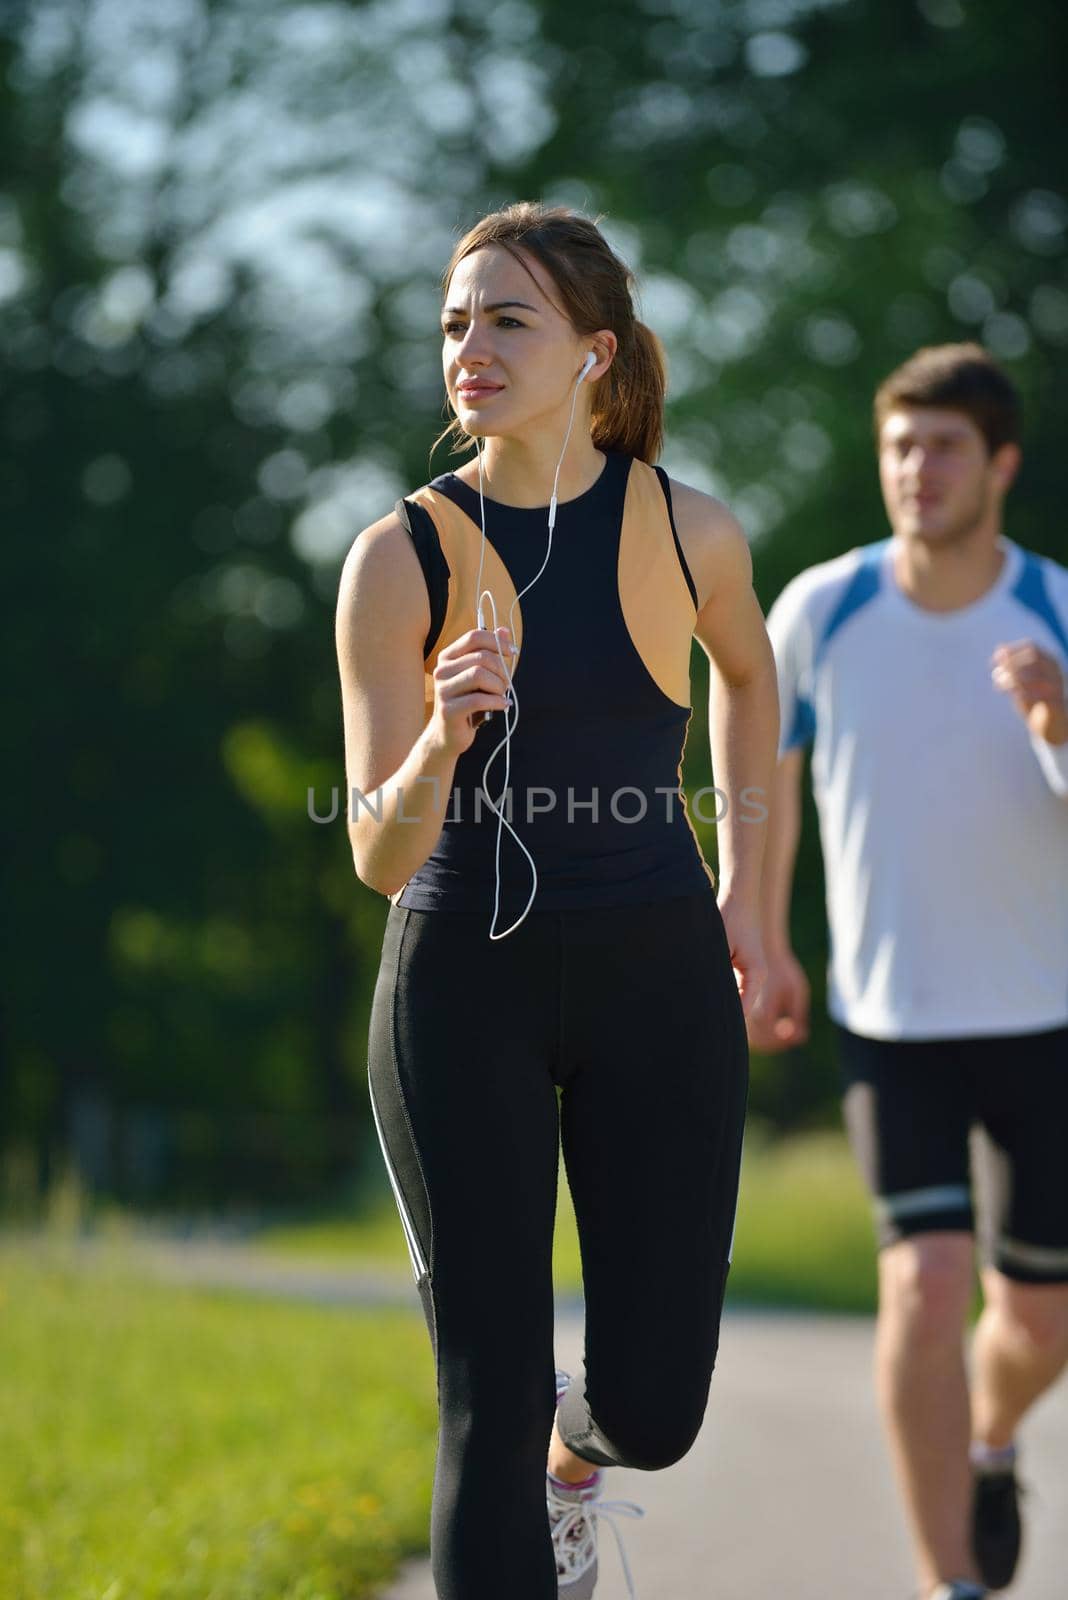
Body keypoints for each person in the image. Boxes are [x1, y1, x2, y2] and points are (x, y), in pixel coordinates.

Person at [334, 202, 778, 1600]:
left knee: (654, 1406)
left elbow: (754, 682)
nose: (470, 346)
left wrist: (746, 894)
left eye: (507, 319)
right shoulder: (394, 558)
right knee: (489, 1392)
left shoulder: (688, 528)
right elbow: (376, 852)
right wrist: (439, 739)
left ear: (593, 353)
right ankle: (530, 1471)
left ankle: (576, 1472)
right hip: (461, 985)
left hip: (657, 976)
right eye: (456, 322)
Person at [752, 342, 1068, 1600]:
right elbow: (760, 788)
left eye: (941, 446)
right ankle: (955, 1583)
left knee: (1038, 1322)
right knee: (927, 1281)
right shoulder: (822, 611)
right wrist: (759, 938)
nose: (915, 470)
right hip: (891, 1016)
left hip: (1048, 1013)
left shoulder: (1054, 609)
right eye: (898, 446)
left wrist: (1059, 724)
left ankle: (990, 1441)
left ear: (998, 464)